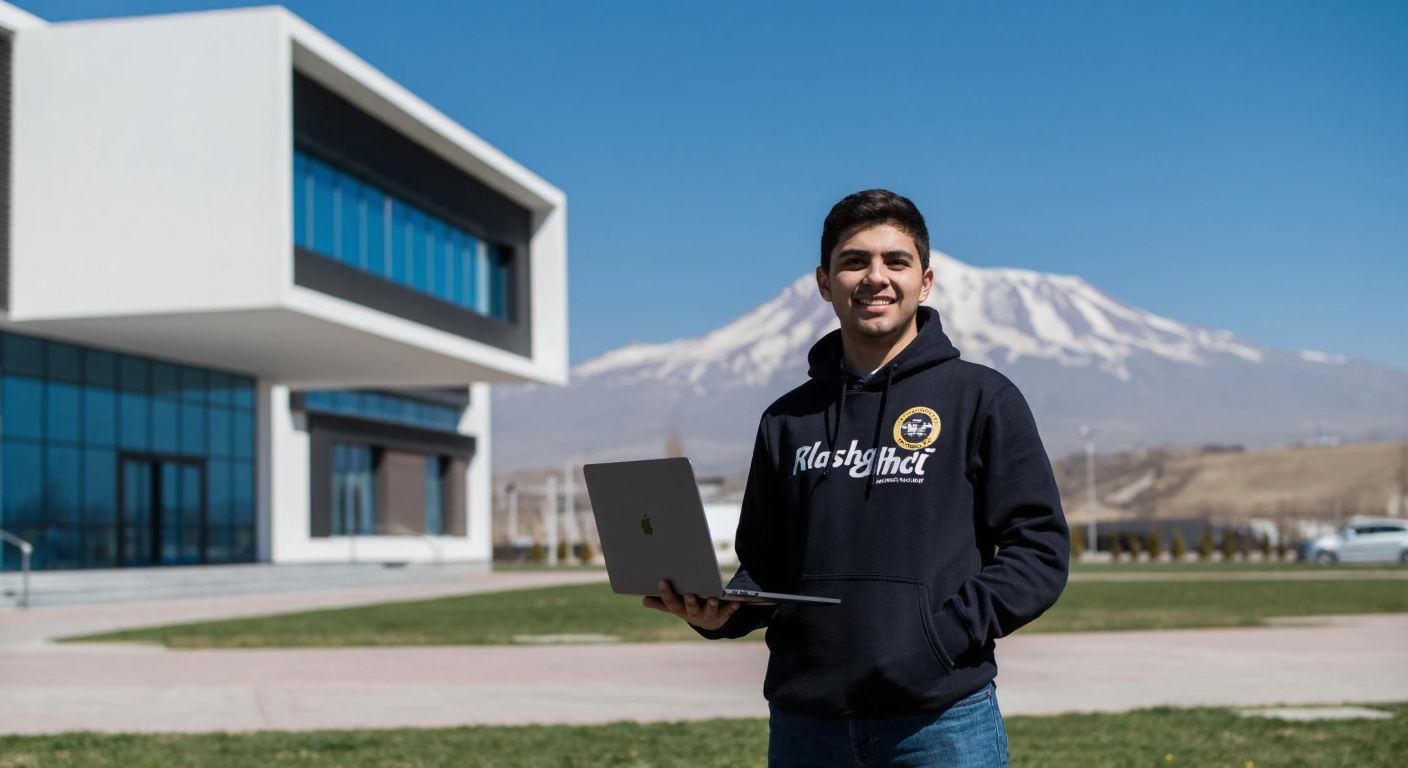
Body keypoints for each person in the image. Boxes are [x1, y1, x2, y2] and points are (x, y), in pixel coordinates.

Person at [644, 189, 1069, 767]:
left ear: (925, 281)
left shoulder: (981, 397)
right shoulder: (786, 418)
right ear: (824, 282)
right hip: (807, 725)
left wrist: (940, 638)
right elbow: (766, 564)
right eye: (854, 261)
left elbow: (1039, 549)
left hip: (941, 722)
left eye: (896, 261)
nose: (875, 278)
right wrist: (725, 613)